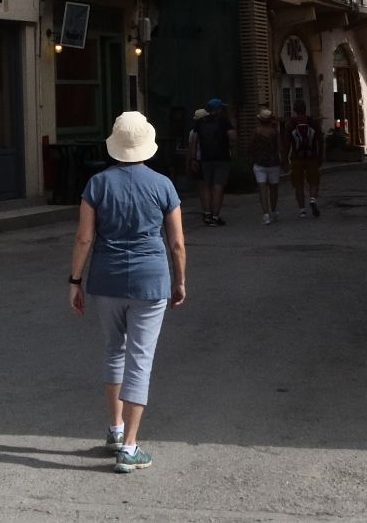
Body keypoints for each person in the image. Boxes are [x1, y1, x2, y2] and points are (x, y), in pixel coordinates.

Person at [68, 112, 187, 474]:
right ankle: (130, 448)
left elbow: (84, 237)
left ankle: (116, 430)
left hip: (106, 280)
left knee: (114, 350)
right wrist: (179, 280)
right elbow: (177, 242)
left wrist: (74, 280)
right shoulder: (163, 185)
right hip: (152, 281)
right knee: (141, 358)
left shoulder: (97, 184)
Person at [187, 98, 234, 227]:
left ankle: (207, 213)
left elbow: (194, 141)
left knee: (206, 186)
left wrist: (193, 159)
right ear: (218, 109)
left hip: (205, 158)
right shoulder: (224, 122)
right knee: (218, 186)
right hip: (221, 158)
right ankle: (215, 216)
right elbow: (233, 137)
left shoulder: (200, 122)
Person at [247, 108, 283, 225]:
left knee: (262, 189)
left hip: (259, 162)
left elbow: (251, 146)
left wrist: (250, 157)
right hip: (273, 163)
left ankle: (266, 215)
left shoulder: (256, 132)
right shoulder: (274, 132)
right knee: (274, 189)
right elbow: (279, 147)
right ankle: (274, 210)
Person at [287, 114, 323, 218]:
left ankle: (302, 210)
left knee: (298, 185)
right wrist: (320, 156)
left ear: (294, 110)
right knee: (314, 182)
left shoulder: (291, 124)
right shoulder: (313, 122)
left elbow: (286, 142)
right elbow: (320, 140)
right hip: (311, 157)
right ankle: (312, 199)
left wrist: (285, 158)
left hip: (297, 158)